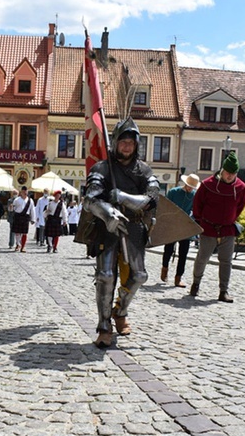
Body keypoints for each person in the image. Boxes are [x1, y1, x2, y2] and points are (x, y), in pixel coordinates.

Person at [83, 117, 159, 348]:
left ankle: (120, 311)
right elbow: (89, 199)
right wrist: (107, 212)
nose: (127, 146)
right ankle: (104, 325)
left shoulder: (144, 170)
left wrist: (125, 197)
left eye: (131, 143)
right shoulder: (102, 168)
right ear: (115, 142)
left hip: (134, 227)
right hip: (107, 228)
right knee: (105, 276)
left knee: (139, 276)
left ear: (136, 145)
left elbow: (152, 198)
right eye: (123, 141)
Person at [189, 151, 245, 302]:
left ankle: (223, 291)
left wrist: (231, 218)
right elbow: (197, 204)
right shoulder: (208, 185)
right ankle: (196, 284)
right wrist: (201, 221)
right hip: (208, 228)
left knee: (226, 261)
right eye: (227, 173)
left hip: (228, 229)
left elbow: (240, 206)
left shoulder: (240, 187)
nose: (230, 176)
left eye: (233, 174)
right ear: (222, 170)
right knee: (202, 258)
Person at [160, 173, 200, 287]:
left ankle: (178, 278)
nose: (189, 188)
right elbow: (166, 206)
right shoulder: (174, 192)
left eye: (192, 187)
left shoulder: (195, 195)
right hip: (172, 225)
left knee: (183, 254)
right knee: (168, 249)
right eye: (188, 185)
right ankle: (164, 269)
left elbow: (195, 211)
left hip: (185, 228)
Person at [11, 186, 36, 252]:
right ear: (21, 192)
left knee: (24, 233)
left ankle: (23, 246)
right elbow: (12, 209)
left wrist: (33, 219)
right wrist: (10, 208)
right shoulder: (16, 200)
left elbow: (32, 210)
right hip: (18, 216)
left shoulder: (30, 200)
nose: (25, 192)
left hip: (25, 217)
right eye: (23, 191)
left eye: (26, 191)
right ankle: (17, 244)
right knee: (17, 232)